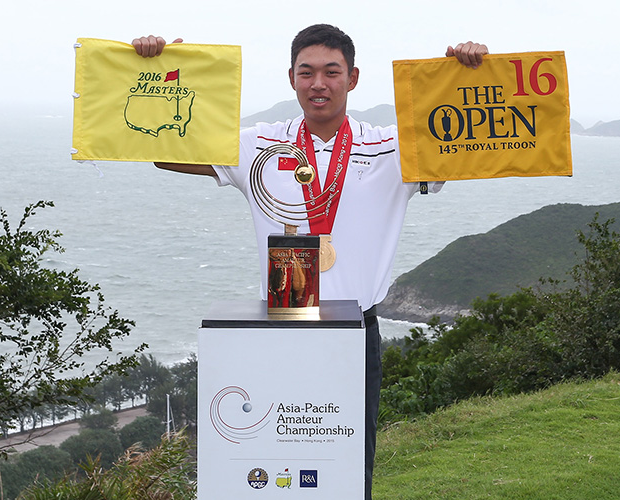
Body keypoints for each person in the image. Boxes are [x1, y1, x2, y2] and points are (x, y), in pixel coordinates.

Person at [134, 24, 487, 499]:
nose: (318, 83)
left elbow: (468, 145)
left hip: (355, 330)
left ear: (353, 78)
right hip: (283, 322)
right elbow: (163, 152)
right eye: (307, 72)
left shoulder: (392, 146)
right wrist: (159, 73)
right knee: (273, 465)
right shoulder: (257, 143)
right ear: (291, 78)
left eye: (331, 71)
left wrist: (463, 74)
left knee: (347, 466)